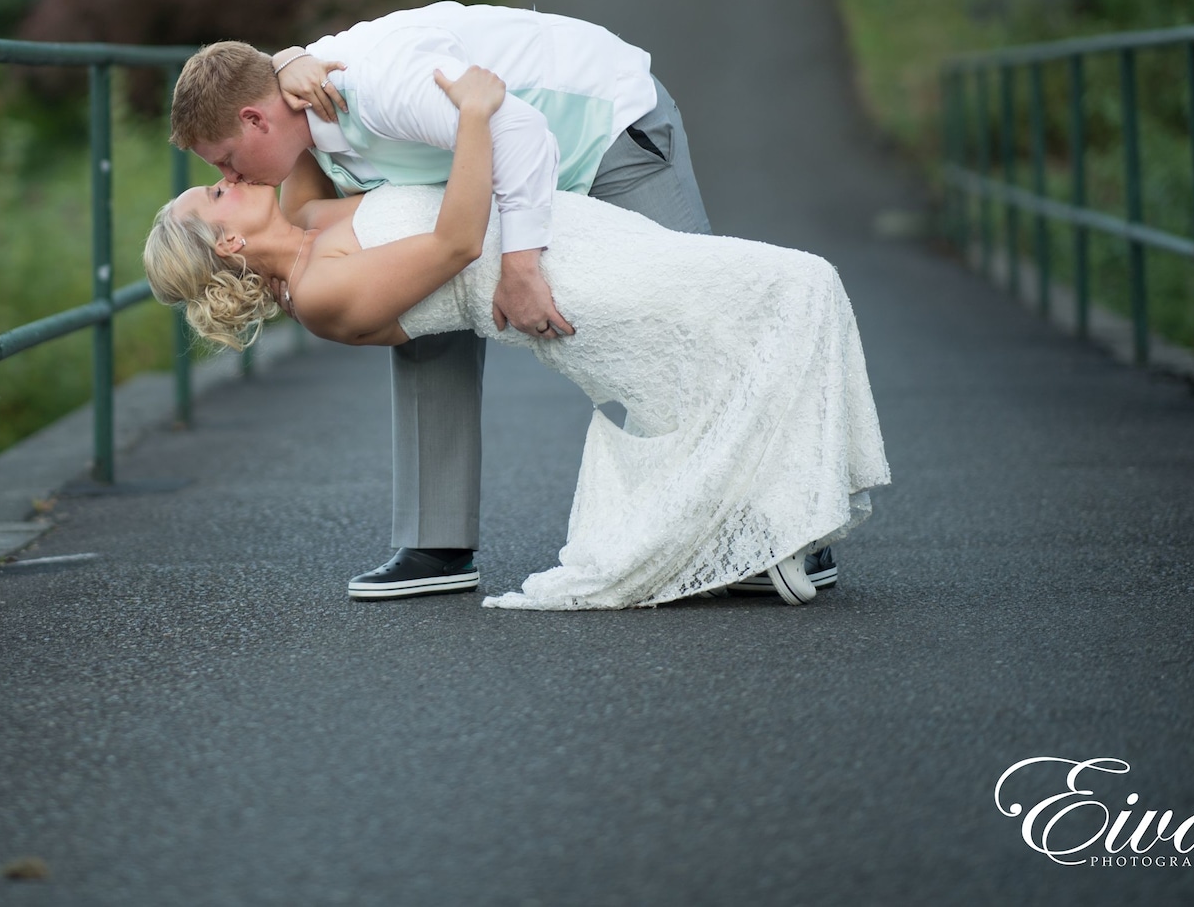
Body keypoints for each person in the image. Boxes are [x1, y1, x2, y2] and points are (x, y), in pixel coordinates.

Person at [147, 63, 891, 609]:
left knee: (760, 311)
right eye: (215, 192)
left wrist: (288, 68)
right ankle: (772, 535)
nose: (227, 176)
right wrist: (476, 116)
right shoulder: (319, 294)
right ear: (232, 249)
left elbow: (291, 135)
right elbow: (455, 244)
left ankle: (768, 533)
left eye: (218, 173)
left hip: (570, 232)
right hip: (556, 280)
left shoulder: (308, 218)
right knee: (794, 286)